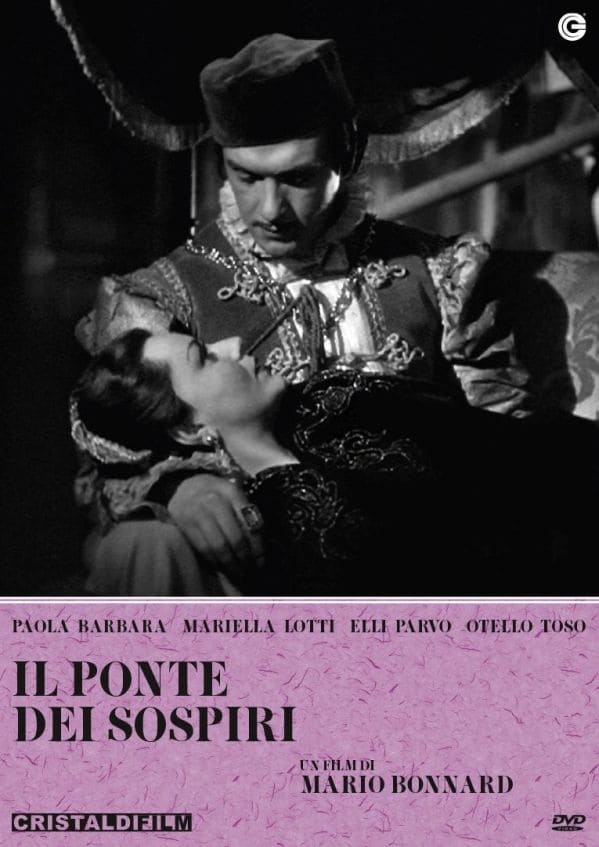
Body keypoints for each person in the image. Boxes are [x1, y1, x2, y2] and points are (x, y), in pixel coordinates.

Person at [75, 34, 538, 579]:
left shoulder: (442, 272)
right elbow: (105, 462)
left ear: (348, 154)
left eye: (298, 178)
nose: (271, 209)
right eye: (247, 176)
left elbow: (508, 446)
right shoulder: (157, 296)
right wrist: (179, 487)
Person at [73, 328, 598, 595]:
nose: (231, 343)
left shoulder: (333, 402)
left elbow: (516, 449)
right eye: (205, 357)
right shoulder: (251, 533)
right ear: (190, 428)